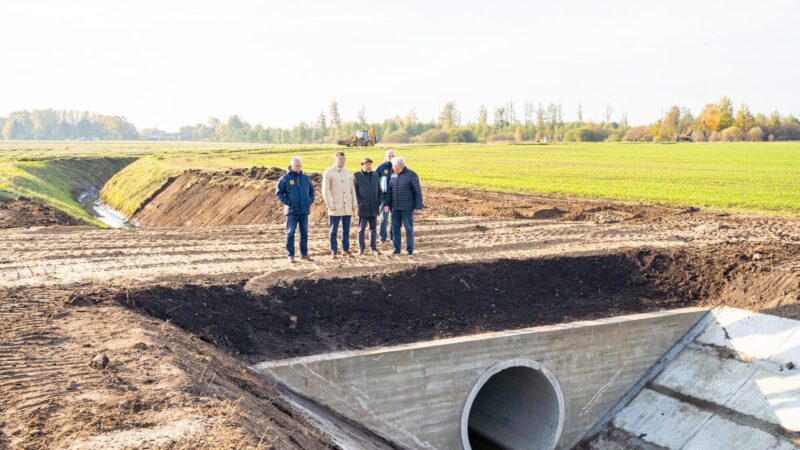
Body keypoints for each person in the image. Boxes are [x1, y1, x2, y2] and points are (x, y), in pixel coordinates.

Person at [275, 156, 314, 262]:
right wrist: (289, 203)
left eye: (300, 165)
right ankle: (290, 255)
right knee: (290, 233)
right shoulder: (285, 178)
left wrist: (309, 201)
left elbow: (312, 191)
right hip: (291, 211)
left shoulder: (305, 178)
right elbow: (279, 193)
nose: (299, 167)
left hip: (304, 211)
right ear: (291, 166)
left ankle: (304, 254)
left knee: (304, 233)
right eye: (297, 166)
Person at [384, 156, 423, 256]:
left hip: (407, 208)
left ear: (398, 166)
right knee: (395, 228)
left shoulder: (411, 175)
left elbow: (417, 191)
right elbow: (389, 192)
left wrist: (418, 206)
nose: (392, 168)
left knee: (408, 228)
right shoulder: (393, 176)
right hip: (395, 208)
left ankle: (410, 250)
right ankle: (397, 249)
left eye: (393, 166)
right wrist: (387, 204)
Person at [322, 151, 358, 258]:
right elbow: (325, 190)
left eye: (344, 159)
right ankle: (334, 250)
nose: (342, 160)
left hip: (347, 206)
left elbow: (352, 190)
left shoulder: (348, 173)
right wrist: (329, 204)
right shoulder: (328, 172)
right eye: (340, 158)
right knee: (333, 230)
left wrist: (355, 204)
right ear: (335, 159)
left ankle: (345, 250)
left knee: (346, 230)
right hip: (335, 206)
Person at [353, 157, 382, 255]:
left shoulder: (375, 174)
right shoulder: (356, 175)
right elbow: (354, 192)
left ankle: (373, 247)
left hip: (374, 206)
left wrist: (379, 201)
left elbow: (379, 190)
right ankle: (361, 248)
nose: (368, 166)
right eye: (366, 164)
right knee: (361, 229)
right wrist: (359, 203)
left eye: (370, 164)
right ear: (362, 165)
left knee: (373, 229)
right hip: (363, 207)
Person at [375, 149, 395, 245]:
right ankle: (382, 238)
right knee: (384, 218)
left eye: (392, 156)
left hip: (395, 197)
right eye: (389, 156)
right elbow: (374, 180)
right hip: (384, 197)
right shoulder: (380, 168)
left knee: (394, 219)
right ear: (385, 157)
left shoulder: (397, 167)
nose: (391, 158)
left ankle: (393, 237)